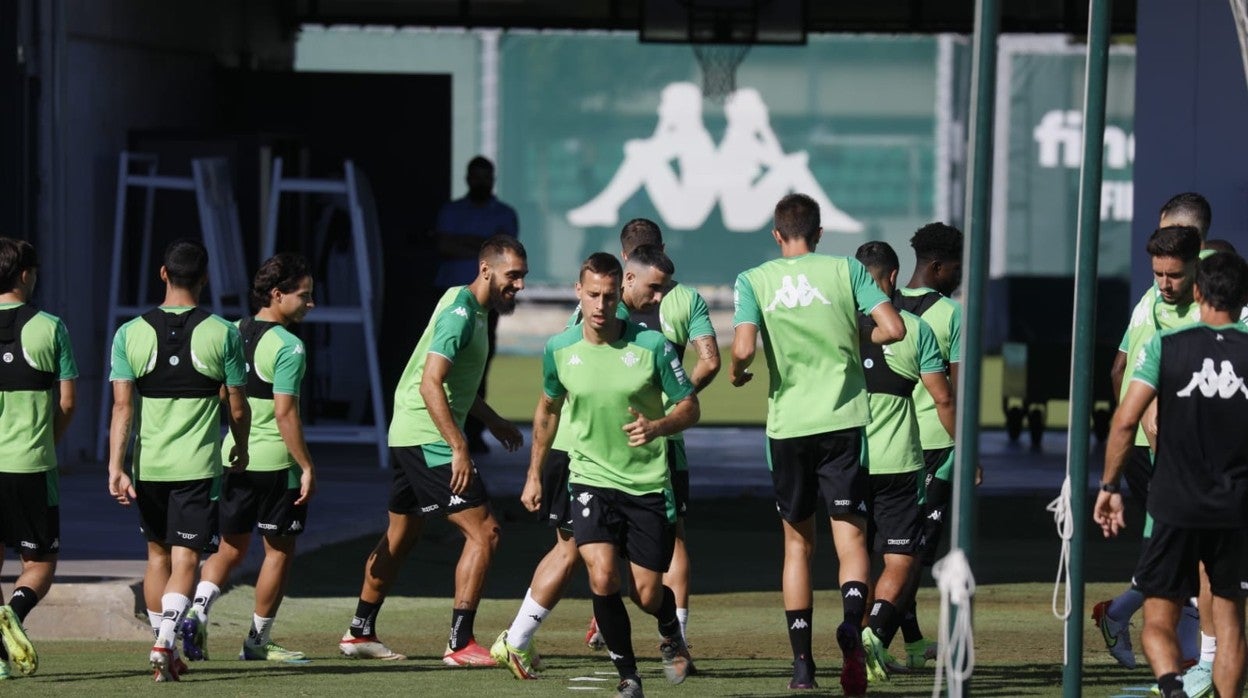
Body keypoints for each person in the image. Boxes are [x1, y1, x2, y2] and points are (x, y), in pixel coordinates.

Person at [729, 193, 905, 693]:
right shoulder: (846, 270)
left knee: (797, 546)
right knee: (850, 540)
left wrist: (741, 371)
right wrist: (857, 339)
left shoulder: (754, 279)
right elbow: (891, 329)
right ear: (821, 233)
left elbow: (741, 348)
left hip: (788, 427)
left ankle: (803, 666)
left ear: (776, 235)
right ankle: (852, 621)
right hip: (843, 422)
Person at [339, 235, 526, 666]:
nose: (518, 285)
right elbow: (431, 383)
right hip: (428, 436)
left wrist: (492, 420)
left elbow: (455, 385)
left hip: (412, 432)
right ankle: (460, 643)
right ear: (486, 270)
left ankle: (359, 631)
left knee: (402, 536)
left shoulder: (469, 307)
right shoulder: (462, 315)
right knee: (485, 532)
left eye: (521, 277)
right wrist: (459, 446)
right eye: (511, 276)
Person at [522, 252, 699, 698]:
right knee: (601, 576)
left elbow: (689, 406)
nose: (600, 305)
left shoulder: (652, 347)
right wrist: (534, 473)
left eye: (608, 295)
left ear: (619, 291)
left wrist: (657, 427)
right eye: (592, 295)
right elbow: (547, 409)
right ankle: (629, 677)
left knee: (645, 591)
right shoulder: (558, 349)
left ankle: (668, 629)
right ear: (578, 292)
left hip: (645, 484)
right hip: (589, 479)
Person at [1094, 250, 1248, 698]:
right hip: (1234, 504)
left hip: (1175, 501)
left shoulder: (1168, 346)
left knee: (1158, 620)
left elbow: (1127, 419)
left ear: (1197, 291)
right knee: (1232, 620)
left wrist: (1109, 486)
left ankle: (1172, 689)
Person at [107, 238, 250, 682]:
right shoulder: (224, 332)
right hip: (197, 468)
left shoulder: (129, 333)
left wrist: (116, 466)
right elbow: (238, 407)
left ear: (163, 274)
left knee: (156, 558)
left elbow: (122, 408)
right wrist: (240, 447)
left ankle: (162, 644)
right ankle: (166, 639)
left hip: (149, 467)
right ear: (205, 278)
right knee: (186, 558)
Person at [180, 253, 317, 663]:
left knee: (230, 547)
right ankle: (257, 643)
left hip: (233, 458)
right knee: (278, 551)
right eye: (304, 296)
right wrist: (307, 465)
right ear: (277, 295)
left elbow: (225, 394)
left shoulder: (231, 330)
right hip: (276, 464)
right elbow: (285, 412)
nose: (310, 304)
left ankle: (197, 611)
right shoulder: (290, 346)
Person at [1095, 214, 1209, 677]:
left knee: (1175, 551)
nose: (1163, 282)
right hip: (1159, 449)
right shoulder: (1161, 305)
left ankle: (1121, 613)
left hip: (1168, 449)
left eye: (1172, 274)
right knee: (1184, 553)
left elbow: (1120, 370)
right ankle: (1189, 661)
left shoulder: (1197, 303)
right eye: (1158, 273)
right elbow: (1125, 375)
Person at [851, 241, 955, 686]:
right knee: (901, 559)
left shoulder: (839, 328)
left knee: (855, 559)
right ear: (891, 278)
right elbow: (943, 398)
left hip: (847, 460)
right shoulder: (916, 328)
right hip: (898, 461)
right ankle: (873, 637)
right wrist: (965, 449)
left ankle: (859, 645)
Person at [888, 221, 964, 670]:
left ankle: (914, 645)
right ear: (938, 267)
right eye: (955, 268)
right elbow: (952, 389)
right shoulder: (948, 313)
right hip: (938, 443)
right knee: (915, 553)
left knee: (901, 547)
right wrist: (967, 447)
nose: (958, 276)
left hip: (895, 441)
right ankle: (877, 636)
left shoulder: (888, 307)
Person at [0, 238, 76, 681]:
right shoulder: (51, 326)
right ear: (25, 274)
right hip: (32, 464)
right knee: (40, 563)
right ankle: (13, 611)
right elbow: (68, 401)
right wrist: (48, 441)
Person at [432, 156, 520, 454]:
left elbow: (505, 252)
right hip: (451, 298)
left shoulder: (505, 213)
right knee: (442, 364)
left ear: (492, 179)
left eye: (486, 177)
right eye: (476, 176)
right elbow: (443, 245)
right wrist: (483, 244)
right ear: (468, 178)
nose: (481, 182)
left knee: (476, 365)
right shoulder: (452, 211)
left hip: (487, 305)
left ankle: (473, 431)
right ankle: (446, 431)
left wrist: (467, 244)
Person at [567, 82, 719, 231]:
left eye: (666, 104)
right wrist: (664, 123)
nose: (661, 109)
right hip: (683, 209)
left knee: (642, 155)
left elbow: (650, 148)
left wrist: (660, 128)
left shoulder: (693, 136)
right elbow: (655, 144)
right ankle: (606, 206)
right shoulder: (688, 134)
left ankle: (606, 206)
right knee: (644, 155)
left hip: (687, 212)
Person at [717, 88, 863, 234]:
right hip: (743, 213)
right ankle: (825, 214)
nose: (764, 109)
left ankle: (825, 214)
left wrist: (765, 128)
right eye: (759, 106)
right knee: (792, 166)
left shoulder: (745, 137)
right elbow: (778, 161)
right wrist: (765, 128)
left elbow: (775, 157)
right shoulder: (739, 139)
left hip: (747, 209)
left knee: (792, 165)